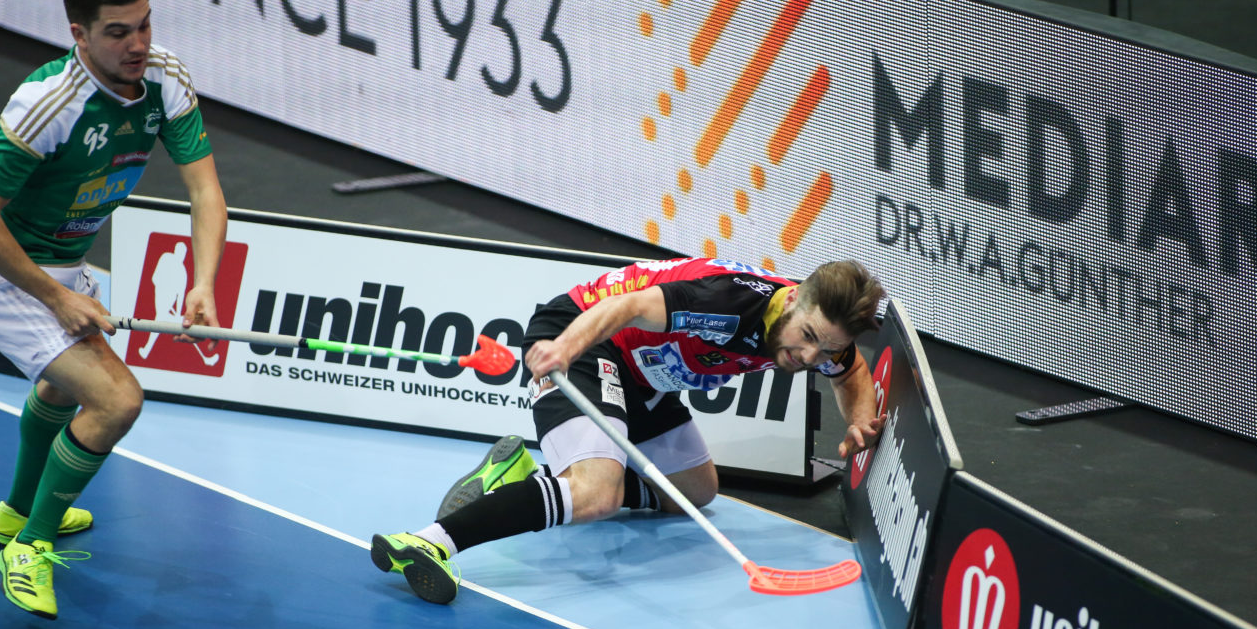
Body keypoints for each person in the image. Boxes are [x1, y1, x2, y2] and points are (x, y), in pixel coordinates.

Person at [370, 256, 885, 605]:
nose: (809, 357)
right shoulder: (727, 302)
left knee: (695, 492)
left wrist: (860, 421)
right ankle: (426, 541)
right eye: (809, 338)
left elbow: (852, 372)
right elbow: (631, 306)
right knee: (596, 496)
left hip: (645, 374)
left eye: (825, 349)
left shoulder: (821, 337)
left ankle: (524, 475)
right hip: (590, 337)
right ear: (794, 301)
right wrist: (565, 349)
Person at [0, 0, 227, 619]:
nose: (139, 43)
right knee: (117, 399)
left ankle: (16, 513)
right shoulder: (47, 103)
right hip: (12, 271)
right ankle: (30, 546)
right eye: (118, 32)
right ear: (79, 34)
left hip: (66, 262)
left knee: (60, 385)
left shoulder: (165, 78)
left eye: (146, 23)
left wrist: (202, 281)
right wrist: (54, 295)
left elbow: (206, 191)